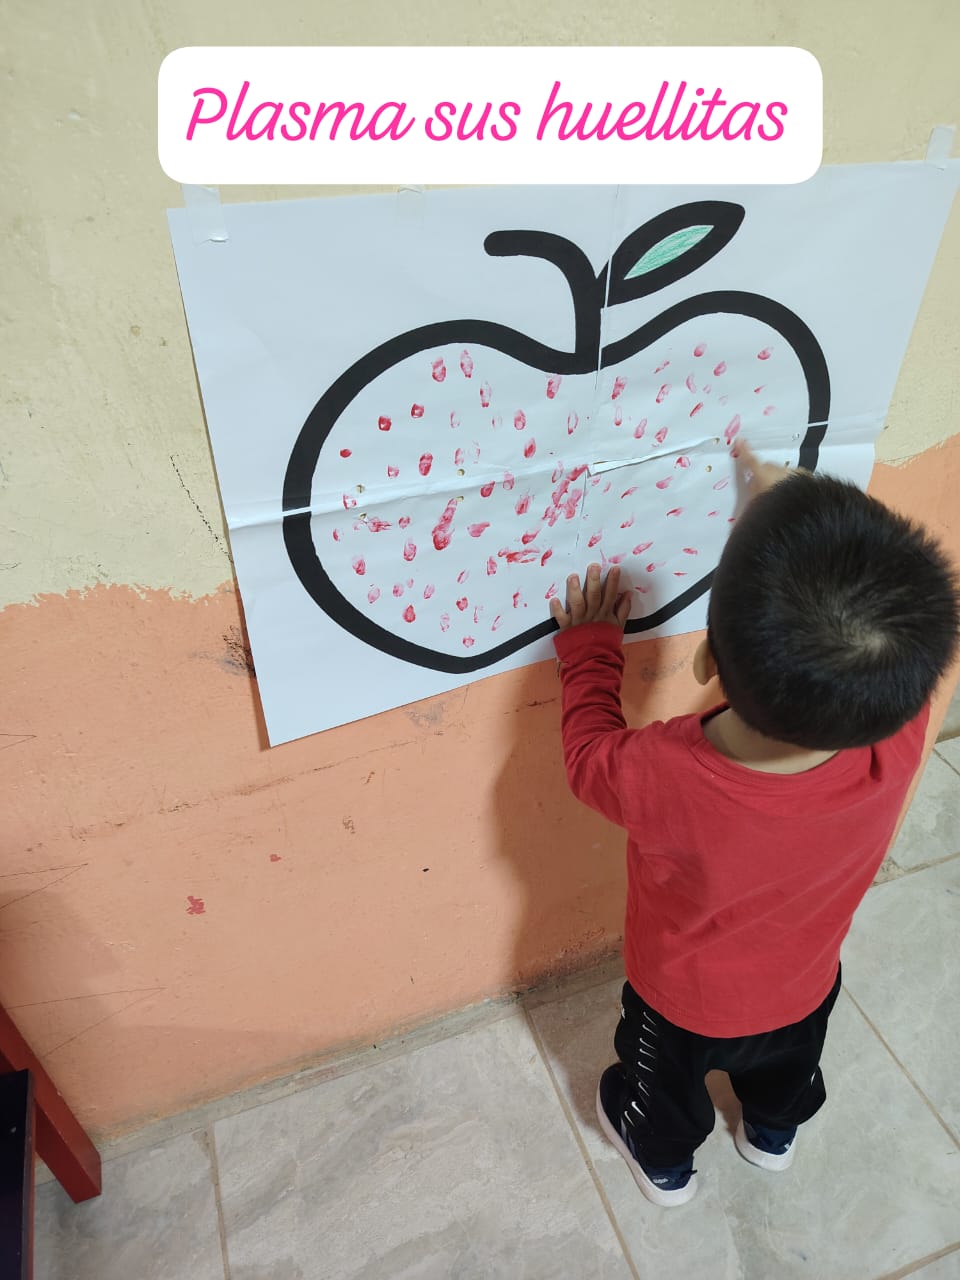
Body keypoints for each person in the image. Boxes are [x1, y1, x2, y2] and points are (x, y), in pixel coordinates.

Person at [549, 442, 960, 1207]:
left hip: (679, 1004)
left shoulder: (665, 771)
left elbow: (587, 756)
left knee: (661, 1094)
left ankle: (664, 1164)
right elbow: (881, 617)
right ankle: (772, 1133)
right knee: (786, 1075)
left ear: (707, 660)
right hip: (806, 986)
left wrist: (590, 652)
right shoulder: (897, 734)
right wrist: (791, 505)